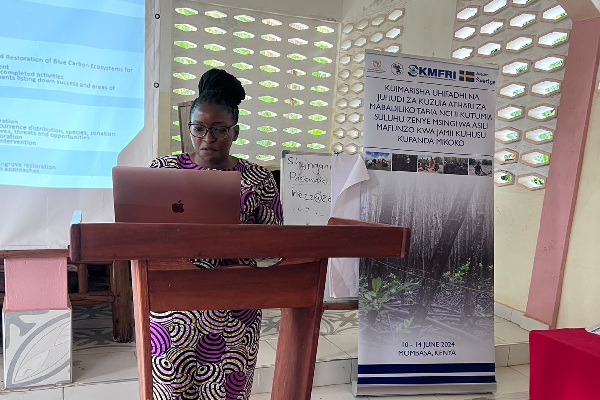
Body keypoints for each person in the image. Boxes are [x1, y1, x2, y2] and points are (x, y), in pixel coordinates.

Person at [148, 69, 283, 399]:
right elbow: (144, 235)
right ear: (190, 128)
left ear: (235, 131)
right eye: (199, 128)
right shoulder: (164, 171)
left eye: (219, 129)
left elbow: (275, 245)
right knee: (171, 390)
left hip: (235, 309)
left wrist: (238, 237)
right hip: (174, 309)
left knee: (228, 392)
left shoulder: (258, 179)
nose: (208, 138)